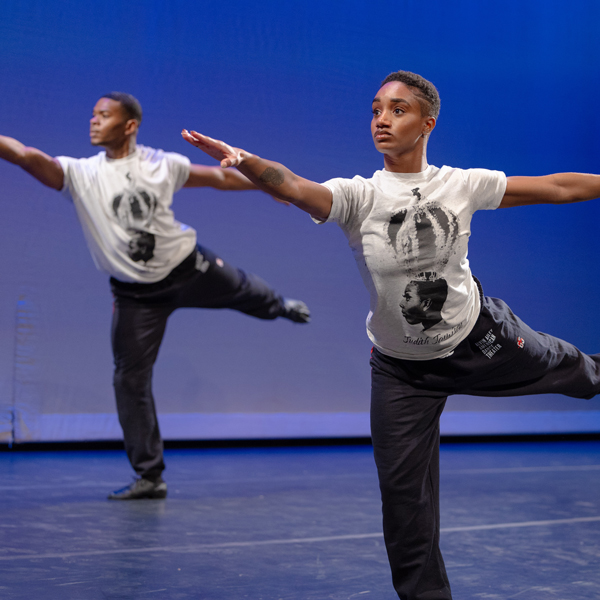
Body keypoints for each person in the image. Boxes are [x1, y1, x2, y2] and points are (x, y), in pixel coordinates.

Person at [181, 70, 600, 600]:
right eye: (377, 108)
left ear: (427, 123)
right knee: (404, 500)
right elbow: (292, 186)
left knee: (572, 370)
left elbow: (556, 187)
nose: (382, 118)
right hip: (401, 370)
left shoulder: (460, 184)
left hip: (478, 340)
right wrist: (248, 162)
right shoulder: (358, 196)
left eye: (397, 110)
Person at [0, 92, 310, 501]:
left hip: (186, 267)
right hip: (135, 296)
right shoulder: (79, 174)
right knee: (129, 380)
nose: (93, 121)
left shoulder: (160, 163)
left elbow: (219, 177)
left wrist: (271, 187)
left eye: (104, 115)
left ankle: (279, 307)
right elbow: (24, 155)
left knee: (245, 290)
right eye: (92, 114)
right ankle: (150, 476)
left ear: (129, 125)